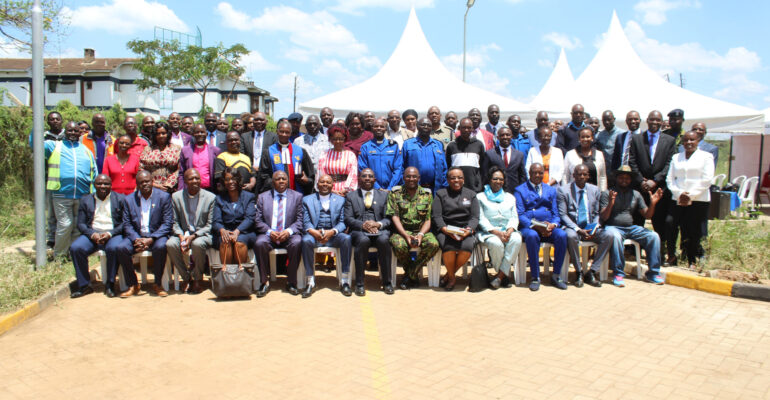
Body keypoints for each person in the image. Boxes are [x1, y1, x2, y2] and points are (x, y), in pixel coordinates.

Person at [600, 166, 665, 286]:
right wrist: (611, 202)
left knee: (654, 236)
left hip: (630, 228)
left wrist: (653, 204)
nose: (624, 180)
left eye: (627, 178)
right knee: (615, 237)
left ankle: (653, 273)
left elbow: (647, 215)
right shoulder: (607, 193)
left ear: (631, 180)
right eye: (621, 177)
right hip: (613, 227)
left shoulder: (636, 194)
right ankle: (618, 274)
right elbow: (604, 217)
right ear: (616, 178)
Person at [628, 110, 677, 266]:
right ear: (647, 121)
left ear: (662, 122)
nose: (654, 122)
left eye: (658, 120)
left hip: (659, 189)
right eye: (652, 119)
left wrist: (655, 181)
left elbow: (669, 163)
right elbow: (632, 161)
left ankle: (659, 255)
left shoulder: (669, 140)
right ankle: (639, 253)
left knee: (659, 223)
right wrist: (641, 180)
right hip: (640, 188)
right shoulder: (636, 139)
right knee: (639, 221)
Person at [45, 121, 98, 257]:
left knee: (77, 227)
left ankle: (73, 254)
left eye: (76, 131)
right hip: (62, 194)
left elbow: (94, 172)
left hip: (82, 195)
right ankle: (60, 255)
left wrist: (94, 193)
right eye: (70, 130)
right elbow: (35, 145)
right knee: (65, 225)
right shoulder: (55, 146)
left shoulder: (86, 150)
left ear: (80, 132)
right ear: (65, 132)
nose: (73, 133)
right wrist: (37, 124)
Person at [117, 170, 173, 298]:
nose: (145, 184)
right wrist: (137, 239)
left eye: (147, 181)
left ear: (152, 182)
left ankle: (158, 284)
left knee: (161, 247)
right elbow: (127, 224)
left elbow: (167, 223)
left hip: (156, 235)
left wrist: (151, 239)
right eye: (141, 182)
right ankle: (133, 284)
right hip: (136, 235)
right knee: (121, 248)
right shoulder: (129, 200)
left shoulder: (163, 197)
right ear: (137, 184)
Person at [69, 174, 125, 298]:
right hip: (92, 234)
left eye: (106, 184)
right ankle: (84, 285)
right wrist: (92, 234)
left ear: (111, 185)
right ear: (94, 185)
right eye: (99, 183)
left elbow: (124, 223)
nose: (103, 186)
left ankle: (110, 284)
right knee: (76, 248)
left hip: (113, 233)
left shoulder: (120, 199)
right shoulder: (86, 200)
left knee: (113, 249)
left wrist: (110, 234)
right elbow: (81, 224)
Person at [515, 163, 568, 291]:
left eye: (540, 173)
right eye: (535, 172)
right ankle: (535, 276)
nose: (538, 175)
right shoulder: (520, 190)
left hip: (548, 226)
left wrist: (552, 225)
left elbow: (556, 213)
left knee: (562, 235)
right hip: (530, 227)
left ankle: (556, 275)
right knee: (532, 236)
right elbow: (520, 214)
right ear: (529, 173)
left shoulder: (550, 189)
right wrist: (536, 226)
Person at [557, 165, 612, 287]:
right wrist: (578, 229)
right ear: (573, 175)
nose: (581, 177)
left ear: (588, 176)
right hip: (573, 228)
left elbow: (597, 213)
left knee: (608, 235)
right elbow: (563, 215)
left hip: (590, 228)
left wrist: (595, 227)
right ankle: (579, 271)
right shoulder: (563, 190)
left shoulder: (595, 190)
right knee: (570, 236)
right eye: (579, 174)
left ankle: (592, 271)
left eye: (584, 174)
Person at [386, 167, 440, 290]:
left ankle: (410, 275)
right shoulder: (395, 193)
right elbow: (394, 217)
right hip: (401, 231)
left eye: (414, 176)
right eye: (408, 176)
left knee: (433, 244)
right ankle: (413, 275)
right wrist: (406, 235)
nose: (411, 179)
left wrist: (420, 235)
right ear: (403, 178)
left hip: (421, 231)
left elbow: (428, 219)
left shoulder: (427, 195)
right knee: (399, 245)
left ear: (419, 178)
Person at [667, 131, 714, 269]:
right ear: (682, 142)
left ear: (698, 141)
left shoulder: (706, 157)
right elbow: (670, 179)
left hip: (698, 199)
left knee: (693, 229)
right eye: (686, 140)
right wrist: (679, 194)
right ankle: (671, 255)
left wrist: (690, 195)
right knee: (670, 223)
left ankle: (691, 259)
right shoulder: (676, 157)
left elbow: (707, 179)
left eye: (692, 140)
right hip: (677, 198)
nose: (689, 143)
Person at [299, 175, 352, 297]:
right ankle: (310, 281)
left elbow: (343, 222)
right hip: (314, 234)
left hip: (333, 236)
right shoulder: (307, 200)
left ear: (332, 185)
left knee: (347, 239)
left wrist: (332, 232)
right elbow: (305, 221)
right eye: (322, 182)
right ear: (317, 185)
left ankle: (344, 280)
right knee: (305, 241)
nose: (324, 184)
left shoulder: (341, 200)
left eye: (328, 182)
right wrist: (313, 232)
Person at [344, 168, 394, 296]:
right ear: (359, 179)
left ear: (374, 179)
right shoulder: (351, 196)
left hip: (380, 229)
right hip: (359, 230)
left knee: (383, 240)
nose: (367, 178)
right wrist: (363, 225)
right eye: (364, 176)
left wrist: (378, 224)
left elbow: (389, 218)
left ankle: (387, 282)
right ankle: (360, 283)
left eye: (370, 176)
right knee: (363, 240)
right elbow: (348, 218)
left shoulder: (384, 195)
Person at [254, 171, 304, 297]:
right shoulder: (263, 197)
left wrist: (288, 231)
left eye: (284, 179)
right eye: (278, 179)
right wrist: (270, 232)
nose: (281, 181)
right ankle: (264, 282)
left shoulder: (297, 196)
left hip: (289, 234)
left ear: (288, 181)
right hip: (269, 234)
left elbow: (300, 220)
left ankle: (291, 282)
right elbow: (258, 221)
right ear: (272, 182)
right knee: (259, 243)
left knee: (297, 242)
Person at [166, 169, 216, 294]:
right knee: (170, 244)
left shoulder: (210, 197)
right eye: (191, 179)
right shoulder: (176, 197)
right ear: (185, 181)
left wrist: (193, 236)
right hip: (183, 233)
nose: (195, 181)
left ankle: (198, 279)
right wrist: (181, 236)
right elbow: (174, 221)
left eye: (197, 178)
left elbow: (210, 225)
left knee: (197, 244)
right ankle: (187, 278)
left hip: (202, 234)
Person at [432, 168, 480, 291]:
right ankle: (453, 278)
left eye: (459, 177)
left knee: (467, 247)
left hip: (465, 230)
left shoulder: (471, 194)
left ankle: (448, 274)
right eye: (453, 178)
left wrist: (468, 230)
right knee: (449, 248)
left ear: (463, 179)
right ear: (448, 180)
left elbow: (475, 217)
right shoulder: (440, 194)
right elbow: (436, 216)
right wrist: (445, 229)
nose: (456, 180)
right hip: (446, 229)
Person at [476, 166, 522, 289]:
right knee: (496, 243)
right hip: (489, 232)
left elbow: (514, 217)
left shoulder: (510, 198)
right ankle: (503, 276)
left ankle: (499, 276)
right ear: (489, 180)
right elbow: (481, 219)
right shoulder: (480, 197)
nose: (498, 182)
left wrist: (510, 230)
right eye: (495, 179)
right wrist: (496, 232)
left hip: (507, 231)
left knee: (516, 239)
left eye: (501, 179)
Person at [212, 167, 257, 266]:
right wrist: (222, 230)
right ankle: (228, 276)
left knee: (239, 243)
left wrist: (237, 231)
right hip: (225, 232)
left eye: (233, 179)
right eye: (227, 179)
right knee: (225, 242)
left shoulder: (249, 197)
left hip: (245, 232)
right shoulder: (219, 199)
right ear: (224, 182)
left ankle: (241, 276)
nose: (230, 182)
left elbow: (250, 218)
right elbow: (216, 221)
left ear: (238, 180)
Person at [259, 120, 314, 194]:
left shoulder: (300, 151)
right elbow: (263, 175)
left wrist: (306, 180)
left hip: (296, 194)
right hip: (275, 194)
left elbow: (310, 175)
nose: (284, 134)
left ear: (291, 133)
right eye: (281, 131)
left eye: (287, 132)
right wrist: (275, 182)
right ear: (277, 132)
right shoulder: (268, 152)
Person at [402, 118, 448, 190]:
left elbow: (444, 167)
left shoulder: (438, 144)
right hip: (414, 189)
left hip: (435, 188)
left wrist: (444, 185)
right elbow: (401, 166)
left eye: (428, 125)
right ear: (417, 126)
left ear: (431, 128)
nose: (426, 127)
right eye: (423, 125)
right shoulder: (408, 144)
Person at [358, 118, 402, 190]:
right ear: (372, 128)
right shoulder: (365, 147)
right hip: (372, 188)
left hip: (391, 189)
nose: (379, 128)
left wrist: (390, 188)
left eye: (382, 126)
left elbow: (398, 168)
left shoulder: (393, 146)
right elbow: (363, 168)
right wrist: (377, 187)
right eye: (376, 126)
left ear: (385, 129)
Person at [482, 126, 527, 194]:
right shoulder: (489, 154)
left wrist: (520, 191)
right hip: (494, 192)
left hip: (514, 191)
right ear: (498, 137)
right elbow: (485, 175)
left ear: (511, 136)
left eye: (508, 135)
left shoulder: (519, 155)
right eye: (502, 135)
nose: (505, 137)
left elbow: (522, 176)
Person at [446, 118, 486, 192]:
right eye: (464, 127)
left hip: (474, 188)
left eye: (469, 128)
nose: (466, 130)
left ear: (472, 129)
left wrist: (480, 185)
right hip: (456, 188)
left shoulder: (479, 145)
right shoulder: (452, 146)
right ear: (459, 128)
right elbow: (448, 167)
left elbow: (483, 168)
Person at [140, 121, 181, 193]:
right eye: (158, 134)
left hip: (171, 188)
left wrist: (168, 184)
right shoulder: (147, 149)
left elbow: (180, 168)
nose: (161, 136)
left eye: (163, 133)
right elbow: (141, 168)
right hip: (151, 188)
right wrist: (154, 185)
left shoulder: (177, 149)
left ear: (168, 134)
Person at [317, 124, 358, 196]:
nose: (338, 141)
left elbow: (353, 175)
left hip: (345, 192)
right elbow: (320, 173)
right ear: (330, 139)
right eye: (335, 139)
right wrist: (331, 190)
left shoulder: (350, 155)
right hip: (327, 189)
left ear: (345, 139)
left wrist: (345, 190)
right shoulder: (324, 154)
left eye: (341, 139)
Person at [242, 111, 278, 191]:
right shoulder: (244, 137)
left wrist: (261, 167)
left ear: (266, 122)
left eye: (261, 120)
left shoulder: (273, 137)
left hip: (266, 176)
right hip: (249, 175)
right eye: (256, 120)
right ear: (253, 122)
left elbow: (274, 156)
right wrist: (252, 167)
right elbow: (242, 155)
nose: (259, 122)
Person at [179, 124, 221, 192]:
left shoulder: (215, 151)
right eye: (197, 132)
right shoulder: (185, 150)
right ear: (193, 134)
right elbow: (181, 172)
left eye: (202, 132)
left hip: (210, 190)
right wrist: (181, 189)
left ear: (206, 134)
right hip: (190, 189)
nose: (200, 134)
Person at [595, 110, 624, 176]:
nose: (607, 122)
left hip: (618, 170)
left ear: (614, 119)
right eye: (604, 120)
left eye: (609, 120)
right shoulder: (599, 135)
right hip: (604, 171)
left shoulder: (622, 134)